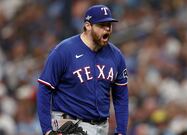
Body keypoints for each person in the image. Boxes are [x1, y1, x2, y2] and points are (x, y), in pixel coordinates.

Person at [37, 4, 129, 135]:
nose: (107, 29)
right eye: (102, 25)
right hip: (69, 124)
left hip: (102, 126)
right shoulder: (64, 51)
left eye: (109, 24)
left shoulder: (116, 55)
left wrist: (121, 131)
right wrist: (46, 130)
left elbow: (121, 96)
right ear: (88, 26)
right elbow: (44, 88)